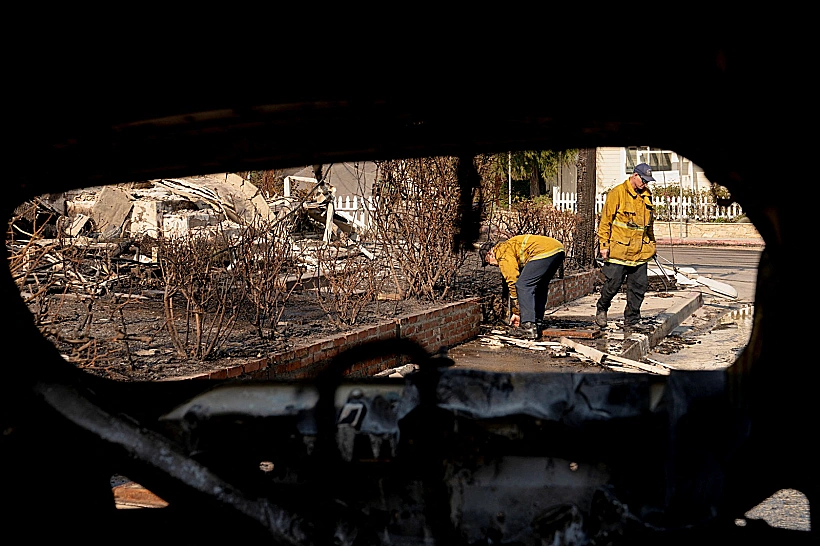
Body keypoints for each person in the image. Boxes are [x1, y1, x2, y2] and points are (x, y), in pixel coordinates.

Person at [595, 162, 657, 330]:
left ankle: (632, 319)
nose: (645, 184)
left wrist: (652, 244)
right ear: (635, 176)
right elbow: (605, 222)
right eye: (644, 180)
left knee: (639, 287)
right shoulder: (618, 193)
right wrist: (604, 245)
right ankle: (602, 308)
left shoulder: (646, 195)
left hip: (640, 252)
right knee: (612, 285)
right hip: (619, 251)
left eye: (648, 181)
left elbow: (648, 225)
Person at [479, 234, 565, 340]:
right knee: (539, 286)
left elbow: (512, 280)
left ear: (490, 253)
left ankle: (528, 326)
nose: (492, 265)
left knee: (523, 285)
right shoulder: (509, 245)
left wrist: (516, 310)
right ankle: (537, 322)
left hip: (544, 251)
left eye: (488, 262)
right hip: (557, 250)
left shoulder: (501, 251)